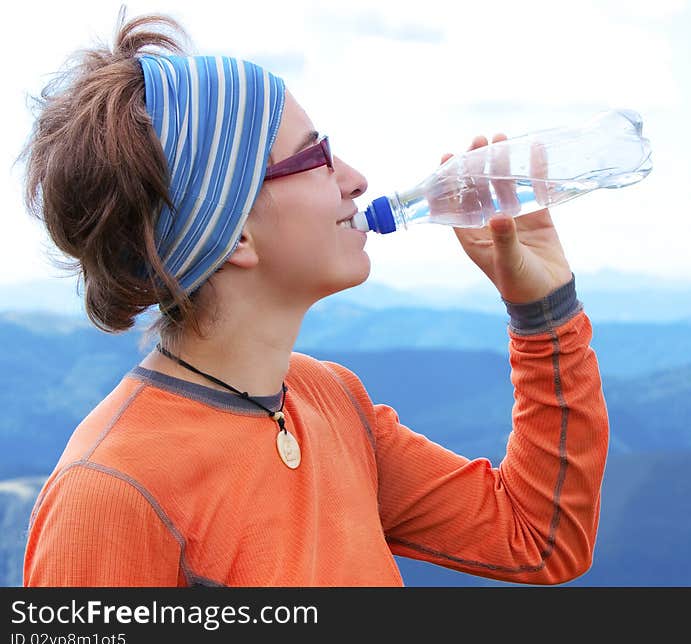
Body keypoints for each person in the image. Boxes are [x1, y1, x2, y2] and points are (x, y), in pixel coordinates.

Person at [19, 9, 610, 587]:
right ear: (236, 233)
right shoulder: (109, 495)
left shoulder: (329, 402)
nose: (354, 179)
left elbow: (539, 538)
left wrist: (543, 310)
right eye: (316, 156)